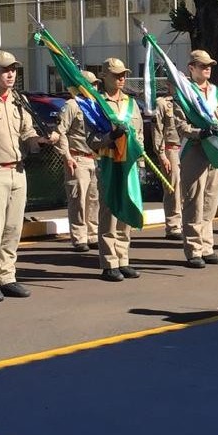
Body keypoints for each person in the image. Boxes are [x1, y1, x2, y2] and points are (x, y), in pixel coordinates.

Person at [0, 51, 57, 302]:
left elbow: (26, 133)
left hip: (17, 170)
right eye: (5, 70)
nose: (10, 74)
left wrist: (42, 139)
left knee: (13, 229)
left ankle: (8, 276)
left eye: (13, 69)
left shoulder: (18, 102)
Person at [90, 58, 145, 281]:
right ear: (105, 77)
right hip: (109, 163)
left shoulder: (131, 104)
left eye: (123, 74)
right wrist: (109, 137)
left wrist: (140, 163)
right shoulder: (97, 104)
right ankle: (109, 263)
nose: (121, 78)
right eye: (116, 75)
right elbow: (91, 139)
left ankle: (123, 259)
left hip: (129, 164)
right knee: (110, 212)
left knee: (126, 209)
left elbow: (139, 135)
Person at [176, 50, 218, 269]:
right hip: (195, 150)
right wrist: (199, 133)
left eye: (209, 65)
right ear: (191, 67)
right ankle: (193, 249)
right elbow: (181, 125)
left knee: (210, 200)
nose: (207, 68)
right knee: (193, 201)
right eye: (202, 65)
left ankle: (207, 247)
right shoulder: (184, 93)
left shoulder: (216, 92)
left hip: (214, 150)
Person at [56, 70, 101, 252]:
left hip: (95, 158)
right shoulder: (72, 105)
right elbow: (61, 132)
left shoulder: (97, 105)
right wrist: (66, 156)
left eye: (96, 84)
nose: (95, 87)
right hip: (78, 158)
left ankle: (92, 234)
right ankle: (79, 237)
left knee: (94, 199)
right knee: (78, 200)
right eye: (91, 84)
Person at [151, 78, 183, 240]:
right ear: (169, 85)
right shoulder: (163, 104)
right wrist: (161, 154)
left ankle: (187, 222)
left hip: (188, 148)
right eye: (174, 84)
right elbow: (157, 129)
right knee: (173, 189)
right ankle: (173, 226)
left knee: (188, 189)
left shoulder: (188, 102)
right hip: (171, 149)